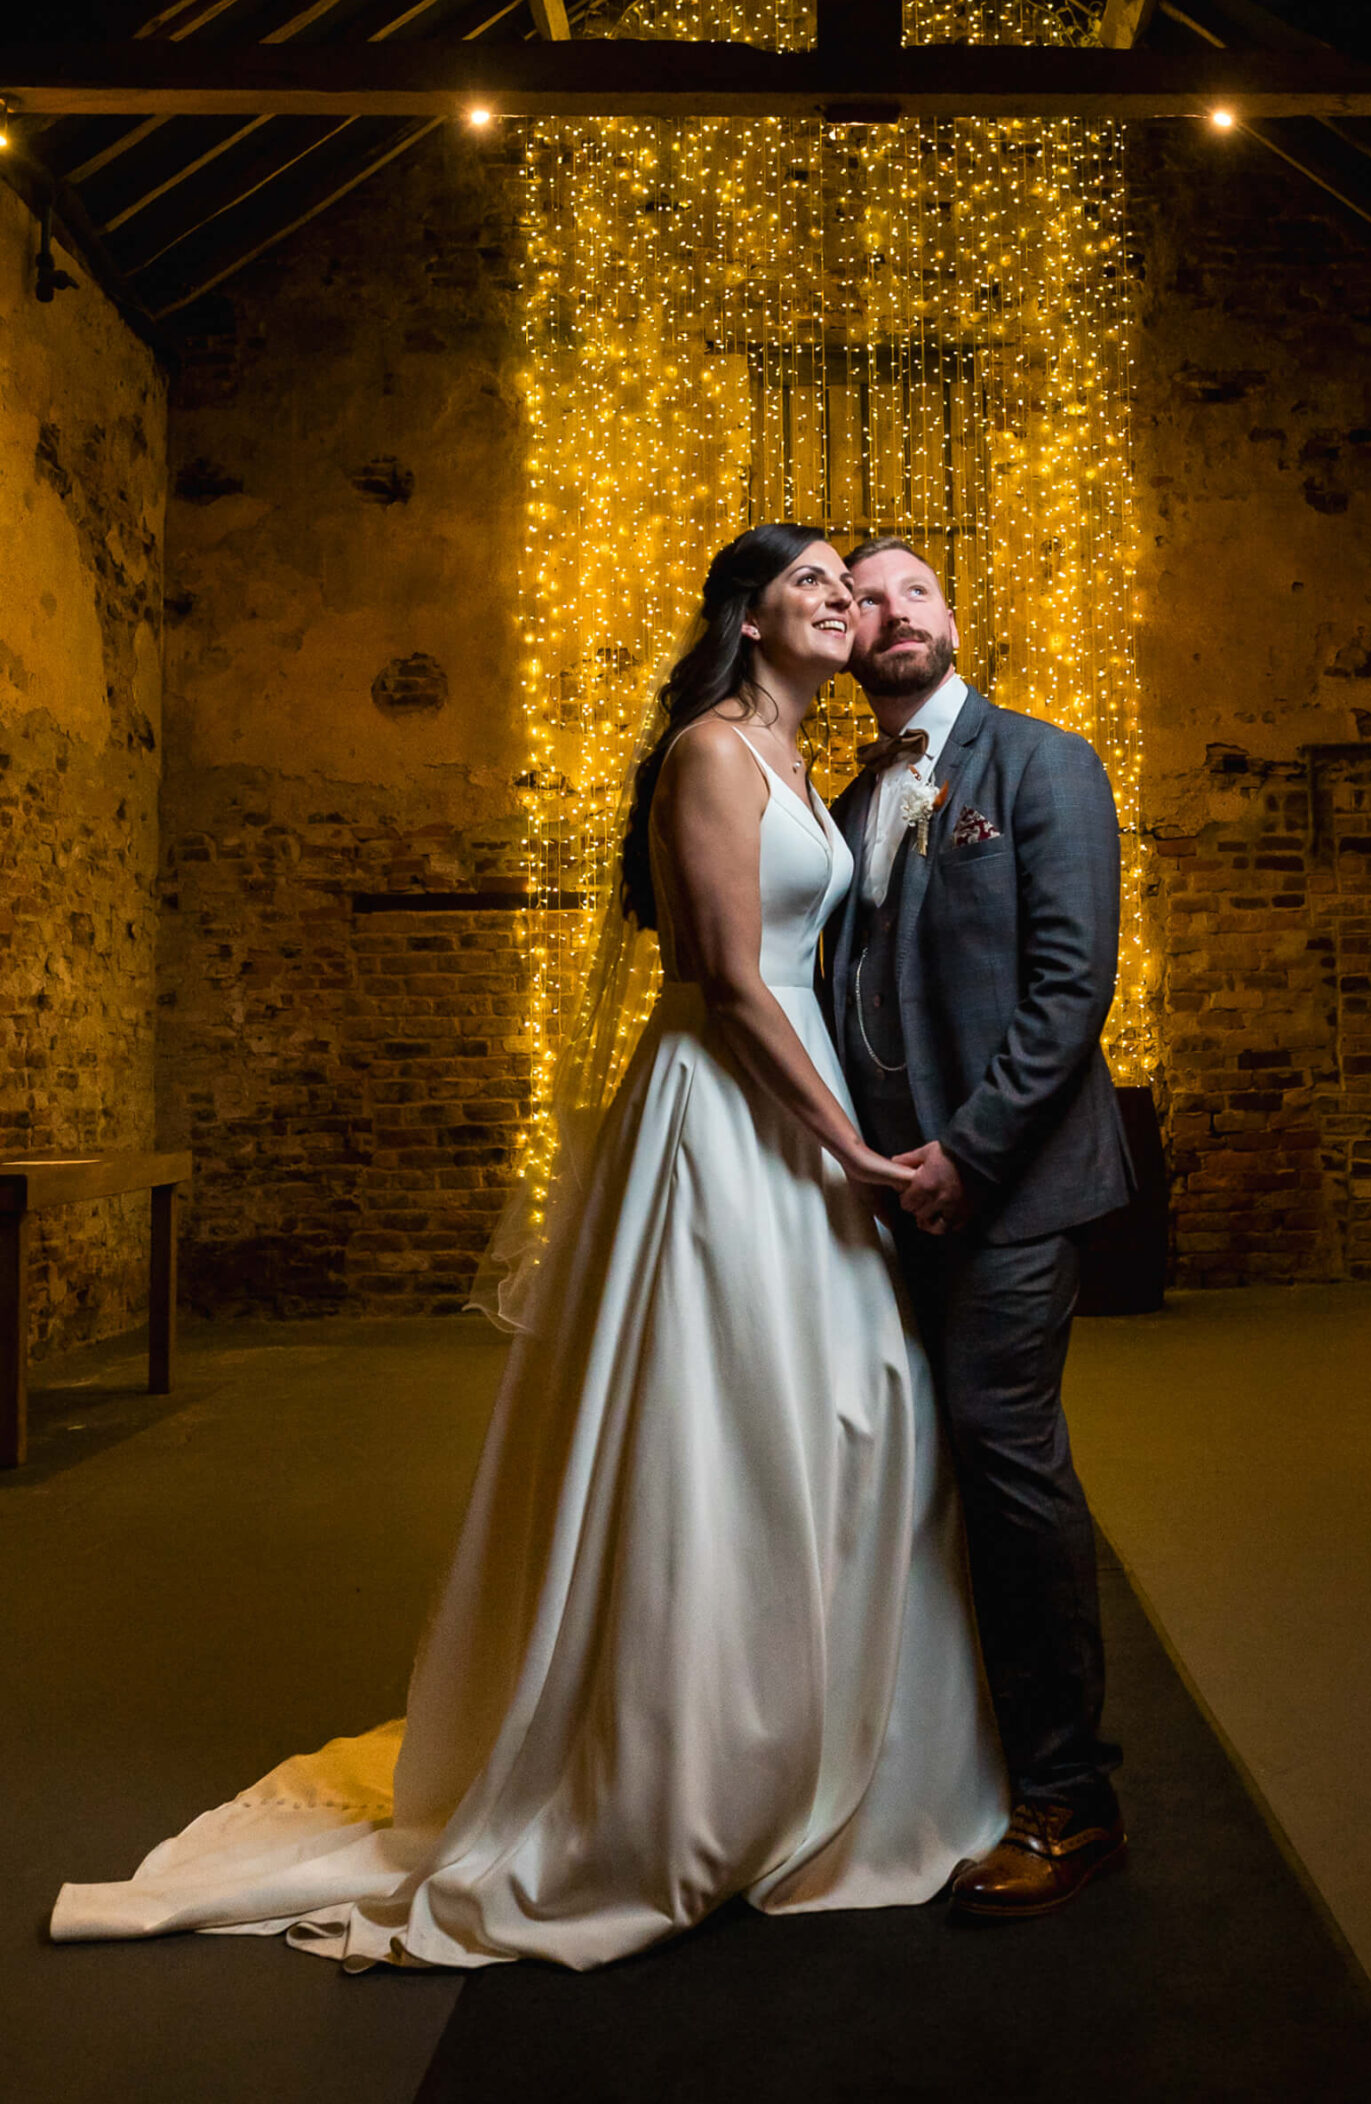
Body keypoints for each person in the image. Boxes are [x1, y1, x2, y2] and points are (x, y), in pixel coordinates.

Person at [52, 525, 1006, 1971]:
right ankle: (677, 1770)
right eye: (811, 580)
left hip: (800, 1095)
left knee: (854, 1406)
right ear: (747, 618)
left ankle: (826, 1745)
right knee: (718, 1421)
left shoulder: (810, 763)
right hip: (729, 1106)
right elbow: (731, 984)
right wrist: (856, 1153)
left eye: (847, 584)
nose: (839, 599)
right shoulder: (711, 753)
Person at [828, 535, 1132, 1921]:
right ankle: (923, 1762)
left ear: (951, 620)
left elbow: (1072, 987)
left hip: (1010, 1188)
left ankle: (1072, 1798)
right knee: (900, 1458)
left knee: (1004, 1453)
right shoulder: (847, 800)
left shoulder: (1040, 763)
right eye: (864, 599)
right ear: (842, 640)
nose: (892, 613)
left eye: (916, 591)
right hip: (886, 1193)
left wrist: (969, 1151)